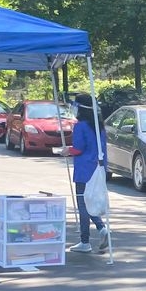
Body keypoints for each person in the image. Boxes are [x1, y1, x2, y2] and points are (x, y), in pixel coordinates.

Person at [64, 93, 109, 253]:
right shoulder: (99, 125)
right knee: (92, 201)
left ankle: (87, 239)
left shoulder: (80, 126)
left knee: (83, 204)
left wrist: (66, 150)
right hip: (99, 168)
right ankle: (100, 230)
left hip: (84, 170)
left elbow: (78, 148)